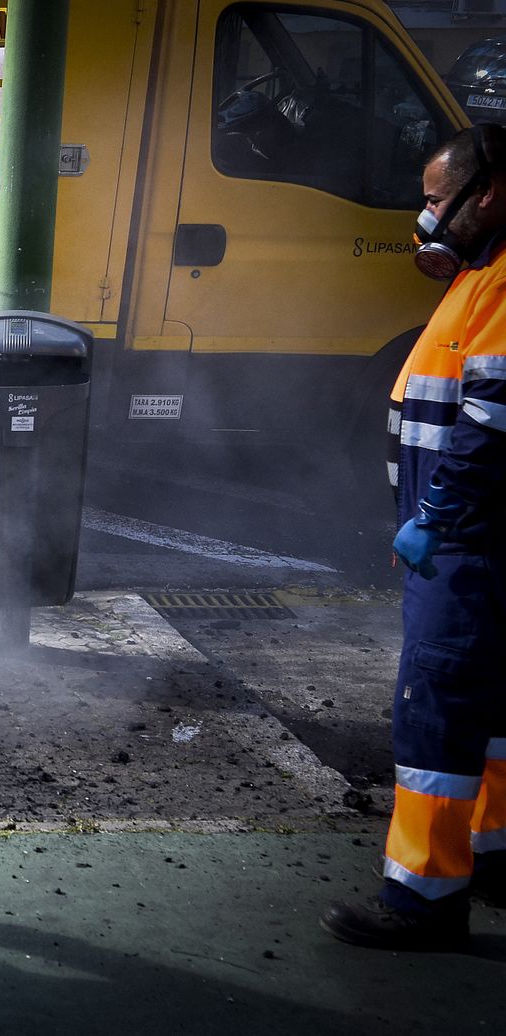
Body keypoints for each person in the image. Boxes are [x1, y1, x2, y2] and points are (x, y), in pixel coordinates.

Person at [320, 125, 506, 951]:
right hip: (477, 542)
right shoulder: (484, 272)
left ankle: (424, 899)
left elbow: (493, 421)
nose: (424, 217)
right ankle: (491, 856)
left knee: (436, 706)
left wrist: (435, 521)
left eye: (435, 200)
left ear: (486, 194)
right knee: (492, 711)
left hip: (470, 546)